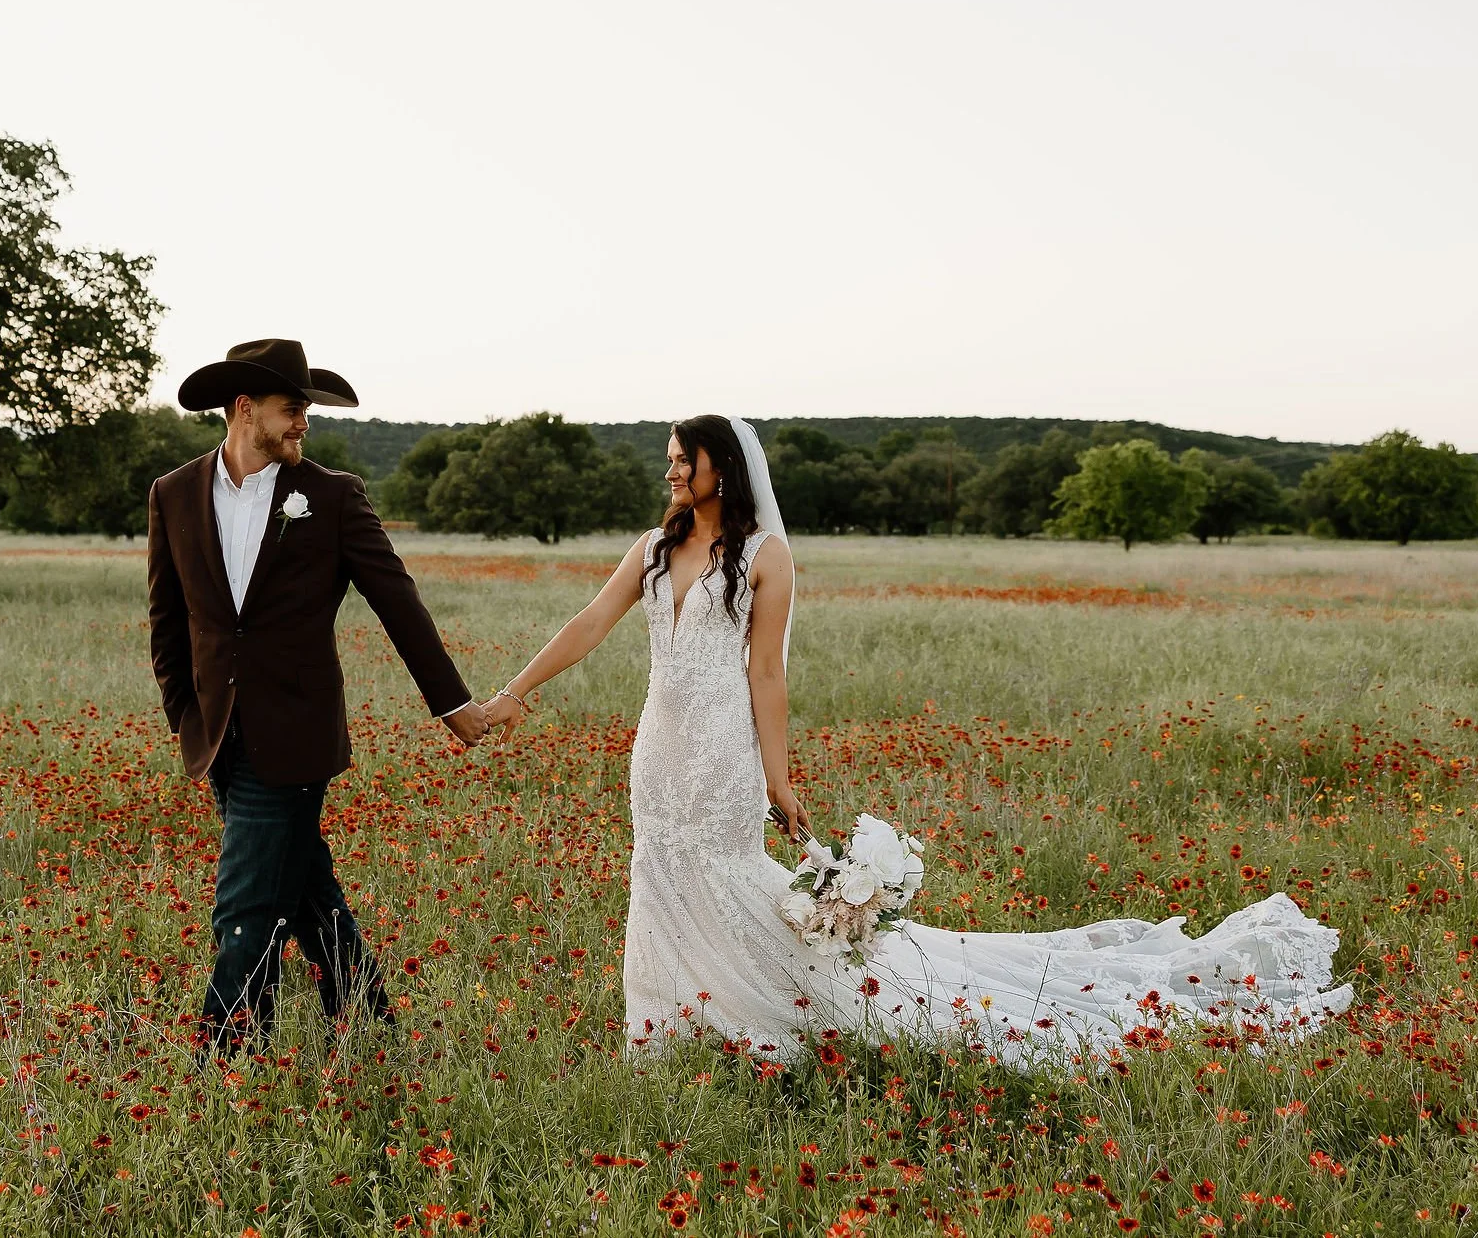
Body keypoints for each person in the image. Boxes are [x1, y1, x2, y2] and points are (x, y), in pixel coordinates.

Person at [475, 414, 1353, 1067]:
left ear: (723, 468)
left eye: (683, 457)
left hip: (720, 751)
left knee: (730, 877)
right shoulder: (653, 548)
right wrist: (515, 693)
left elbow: (767, 676)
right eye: (667, 458)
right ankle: (664, 1028)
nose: (669, 469)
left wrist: (778, 780)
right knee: (659, 874)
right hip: (657, 746)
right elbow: (593, 619)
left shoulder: (766, 554)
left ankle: (766, 1016)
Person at [147, 338, 492, 1058]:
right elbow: (168, 620)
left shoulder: (332, 495)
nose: (304, 421)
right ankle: (370, 1024)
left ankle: (227, 1059)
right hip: (219, 737)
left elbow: (396, 599)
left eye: (305, 407)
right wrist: (186, 717)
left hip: (298, 734)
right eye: (292, 407)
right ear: (246, 409)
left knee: (243, 904)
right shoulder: (174, 492)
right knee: (304, 890)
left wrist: (452, 704)